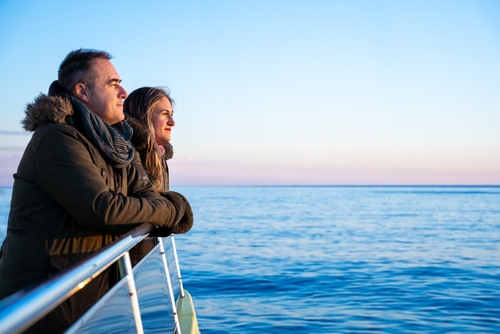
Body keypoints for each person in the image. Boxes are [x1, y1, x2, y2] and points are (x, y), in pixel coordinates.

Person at [0, 49, 192, 332]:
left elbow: (146, 195)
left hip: (92, 296)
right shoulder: (57, 137)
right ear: (83, 91)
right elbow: (103, 209)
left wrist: (158, 206)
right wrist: (173, 208)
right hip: (44, 301)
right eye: (113, 84)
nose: (123, 92)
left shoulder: (118, 143)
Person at [124, 87, 193, 264]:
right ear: (144, 115)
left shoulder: (157, 155)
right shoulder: (130, 153)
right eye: (164, 114)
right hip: (132, 262)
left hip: (149, 259)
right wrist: (176, 205)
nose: (172, 121)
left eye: (171, 114)